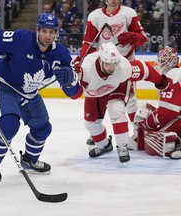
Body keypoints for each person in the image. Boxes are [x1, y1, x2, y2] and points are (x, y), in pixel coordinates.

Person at [0, 13, 79, 183]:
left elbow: (73, 93)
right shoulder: (21, 39)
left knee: (43, 128)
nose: (47, 36)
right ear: (37, 30)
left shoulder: (62, 55)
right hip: (5, 86)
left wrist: (70, 80)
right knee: (9, 125)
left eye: (52, 32)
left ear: (57, 33)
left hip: (29, 93)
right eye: (44, 31)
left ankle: (29, 161)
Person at [64, 42, 172, 163]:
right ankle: (104, 145)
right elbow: (75, 95)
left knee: (116, 109)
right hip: (96, 90)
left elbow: (145, 70)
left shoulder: (123, 67)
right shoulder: (86, 69)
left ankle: (122, 147)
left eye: (114, 63)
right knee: (90, 123)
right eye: (108, 64)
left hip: (117, 85)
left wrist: (161, 82)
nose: (112, 68)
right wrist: (72, 78)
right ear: (100, 60)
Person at [73, 0, 147, 145]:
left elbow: (142, 38)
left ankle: (137, 132)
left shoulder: (129, 14)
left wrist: (132, 36)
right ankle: (97, 131)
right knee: (100, 95)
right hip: (103, 66)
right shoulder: (94, 17)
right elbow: (89, 43)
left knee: (130, 99)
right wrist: (82, 59)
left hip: (125, 65)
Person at [134, 46, 181, 159]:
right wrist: (155, 112)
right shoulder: (177, 73)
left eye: (163, 62)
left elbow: (168, 112)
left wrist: (147, 122)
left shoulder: (172, 76)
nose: (160, 65)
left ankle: (173, 147)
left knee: (152, 135)